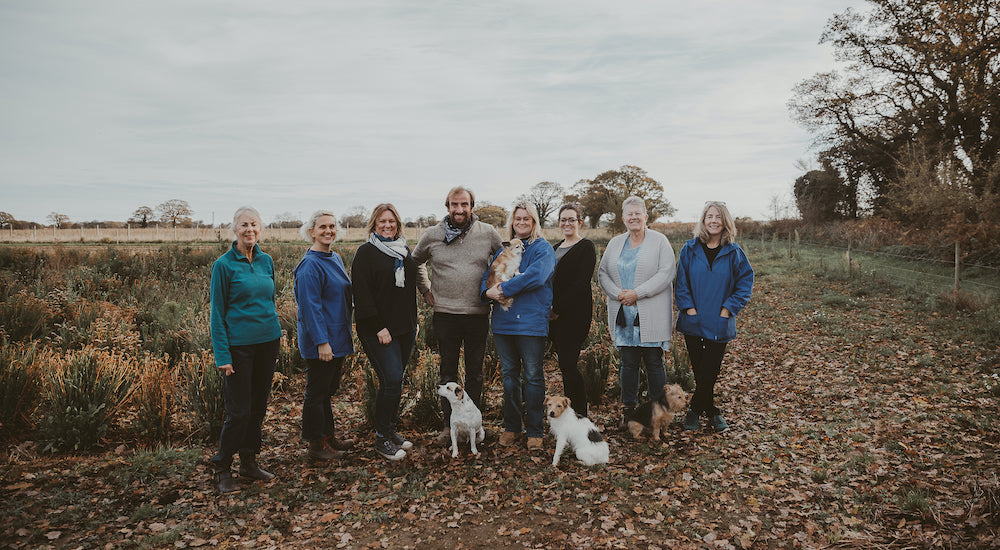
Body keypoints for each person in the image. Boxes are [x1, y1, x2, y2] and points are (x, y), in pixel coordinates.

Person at [412, 187, 502, 445]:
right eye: (454, 204)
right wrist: (425, 288)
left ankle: (474, 427)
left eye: (464, 204)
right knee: (447, 372)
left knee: (475, 372)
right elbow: (415, 261)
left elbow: (504, 259)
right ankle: (447, 426)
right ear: (447, 206)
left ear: (472, 206)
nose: (459, 209)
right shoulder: (432, 235)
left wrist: (496, 290)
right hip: (446, 314)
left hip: (477, 313)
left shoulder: (488, 233)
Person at [209, 206, 283, 494]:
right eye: (243, 225)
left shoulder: (266, 261)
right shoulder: (223, 265)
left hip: (268, 342)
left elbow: (269, 298)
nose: (249, 229)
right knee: (238, 411)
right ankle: (222, 467)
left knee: (257, 408)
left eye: (253, 224)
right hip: (238, 347)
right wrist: (223, 356)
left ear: (260, 228)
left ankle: (249, 462)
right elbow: (217, 314)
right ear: (234, 229)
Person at [598, 196, 676, 430]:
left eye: (638, 213)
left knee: (654, 362)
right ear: (623, 218)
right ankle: (629, 413)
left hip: (649, 313)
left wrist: (637, 293)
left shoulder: (660, 241)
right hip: (624, 314)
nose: (633, 217)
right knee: (628, 364)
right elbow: (603, 273)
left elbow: (666, 272)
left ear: (646, 216)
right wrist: (618, 294)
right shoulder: (615, 243)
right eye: (629, 214)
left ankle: (658, 415)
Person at [675, 201, 754, 433]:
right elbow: (681, 282)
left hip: (720, 321)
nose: (713, 221)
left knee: (709, 370)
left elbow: (745, 283)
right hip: (693, 319)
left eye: (718, 217)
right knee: (701, 371)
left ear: (725, 221)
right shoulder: (689, 249)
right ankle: (711, 412)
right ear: (703, 220)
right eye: (709, 216)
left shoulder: (734, 252)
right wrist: (688, 308)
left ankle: (697, 411)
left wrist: (728, 309)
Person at [482, 201, 555, 451]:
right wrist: (486, 292)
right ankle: (512, 426)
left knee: (533, 377)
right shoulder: (504, 249)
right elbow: (490, 274)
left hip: (531, 322)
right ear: (512, 222)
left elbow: (536, 277)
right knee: (509, 377)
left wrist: (502, 289)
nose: (521, 223)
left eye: (527, 219)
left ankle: (535, 429)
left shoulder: (542, 249)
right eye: (517, 219)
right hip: (504, 322)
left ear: (534, 222)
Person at [352, 203, 418, 461]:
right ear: (374, 224)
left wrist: (414, 321)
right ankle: (381, 439)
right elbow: (362, 294)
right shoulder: (365, 253)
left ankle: (390, 431)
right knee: (390, 380)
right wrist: (380, 327)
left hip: (405, 328)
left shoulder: (402, 250)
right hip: (377, 329)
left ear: (397, 223)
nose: (387, 225)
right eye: (382, 221)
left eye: (391, 221)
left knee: (396, 381)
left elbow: (408, 287)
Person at [294, 210, 356, 461]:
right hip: (322, 340)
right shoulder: (310, 266)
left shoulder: (335, 258)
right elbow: (310, 308)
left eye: (332, 226)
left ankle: (328, 437)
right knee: (316, 392)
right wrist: (322, 342)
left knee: (327, 391)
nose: (328, 231)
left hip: (337, 336)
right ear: (311, 232)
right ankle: (316, 446)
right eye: (322, 227)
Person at [549, 202, 597, 417]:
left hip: (573, 317)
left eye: (571, 219)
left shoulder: (585, 247)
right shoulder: (554, 248)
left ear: (580, 222)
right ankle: (570, 415)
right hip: (554, 317)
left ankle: (581, 416)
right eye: (563, 219)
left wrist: (557, 308)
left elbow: (580, 284)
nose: (567, 223)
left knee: (568, 365)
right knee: (564, 366)